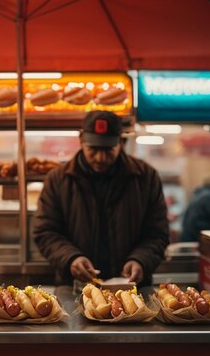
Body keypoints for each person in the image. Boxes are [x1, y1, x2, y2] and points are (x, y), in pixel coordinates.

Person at [33, 111, 169, 287]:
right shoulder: (58, 179)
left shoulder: (145, 177)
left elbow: (158, 233)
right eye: (93, 149)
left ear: (121, 142)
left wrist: (141, 260)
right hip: (76, 288)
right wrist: (71, 258)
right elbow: (45, 232)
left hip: (131, 290)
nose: (100, 158)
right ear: (81, 140)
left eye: (108, 150)